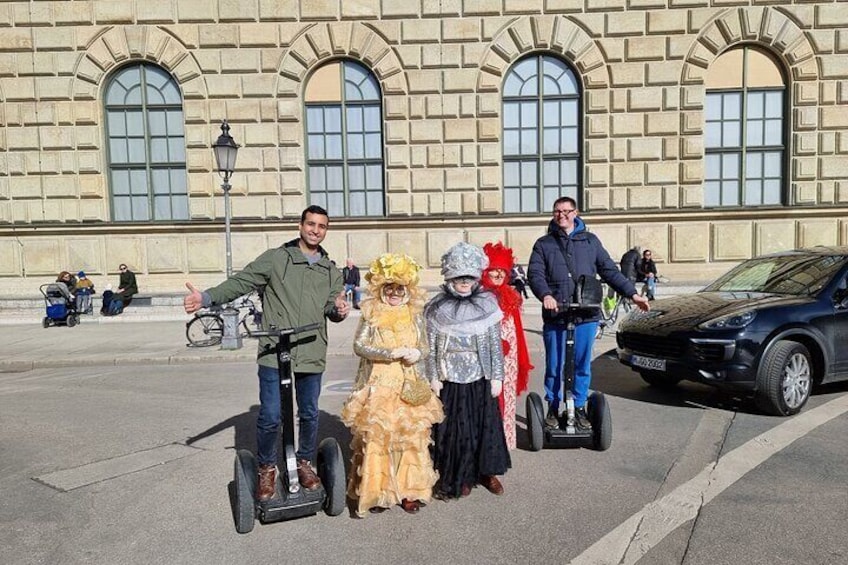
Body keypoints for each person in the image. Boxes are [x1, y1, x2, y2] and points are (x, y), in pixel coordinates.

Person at [183, 205, 350, 502]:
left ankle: (304, 462)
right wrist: (206, 297)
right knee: (271, 416)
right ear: (300, 226)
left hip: (311, 349)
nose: (315, 230)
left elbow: (330, 308)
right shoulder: (276, 259)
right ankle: (267, 467)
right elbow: (241, 281)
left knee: (310, 413)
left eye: (321, 226)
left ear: (326, 230)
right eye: (310, 224)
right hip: (274, 350)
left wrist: (339, 311)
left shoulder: (331, 271)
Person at [528, 197, 650, 430]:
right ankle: (553, 406)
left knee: (582, 364)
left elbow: (609, 271)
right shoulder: (544, 244)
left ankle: (580, 406)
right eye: (557, 211)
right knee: (555, 365)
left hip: (586, 314)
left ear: (576, 212)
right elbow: (535, 274)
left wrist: (633, 294)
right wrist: (545, 295)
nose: (561, 215)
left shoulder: (590, 241)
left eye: (566, 211)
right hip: (557, 315)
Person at [341, 253, 444, 516]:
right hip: (379, 385)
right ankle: (377, 492)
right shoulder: (371, 314)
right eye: (390, 288)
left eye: (400, 289)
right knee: (378, 439)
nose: (395, 293)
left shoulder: (415, 315)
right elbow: (359, 346)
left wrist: (417, 353)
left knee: (409, 439)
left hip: (407, 385)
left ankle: (410, 492)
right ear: (381, 289)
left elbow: (425, 346)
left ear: (408, 290)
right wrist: (390, 353)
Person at [425, 242, 510, 499]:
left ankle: (486, 471)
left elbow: (495, 344)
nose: (463, 282)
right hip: (449, 377)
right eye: (458, 277)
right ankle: (457, 474)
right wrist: (432, 375)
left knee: (482, 426)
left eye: (468, 277)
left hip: (479, 376)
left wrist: (497, 376)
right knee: (453, 429)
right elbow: (429, 345)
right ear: (450, 278)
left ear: (475, 278)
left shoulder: (486, 304)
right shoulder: (438, 308)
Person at [481, 242, 533, 450]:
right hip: (485, 355)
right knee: (487, 398)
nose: (497, 274)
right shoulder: (478, 296)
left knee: (507, 395)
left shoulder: (511, 296)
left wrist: (518, 355)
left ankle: (504, 442)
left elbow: (517, 329)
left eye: (502, 271)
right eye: (493, 270)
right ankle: (486, 445)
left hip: (509, 356)